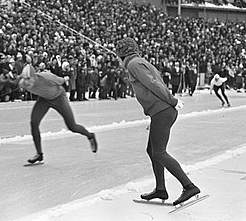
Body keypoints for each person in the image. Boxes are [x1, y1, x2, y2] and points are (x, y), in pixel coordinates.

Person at [115, 37, 200, 206]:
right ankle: (161, 188)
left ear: (123, 54)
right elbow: (156, 82)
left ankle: (189, 186)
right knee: (152, 149)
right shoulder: (141, 62)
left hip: (163, 110)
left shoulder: (133, 64)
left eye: (118, 56)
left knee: (159, 152)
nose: (117, 59)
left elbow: (154, 84)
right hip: (160, 112)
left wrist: (172, 100)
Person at [18, 64, 97, 164]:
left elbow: (61, 81)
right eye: (24, 79)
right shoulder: (22, 82)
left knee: (72, 126)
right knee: (34, 123)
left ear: (34, 76)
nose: (26, 82)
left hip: (59, 98)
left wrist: (66, 78)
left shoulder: (47, 77)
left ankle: (90, 136)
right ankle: (39, 154)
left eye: (29, 78)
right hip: (44, 100)